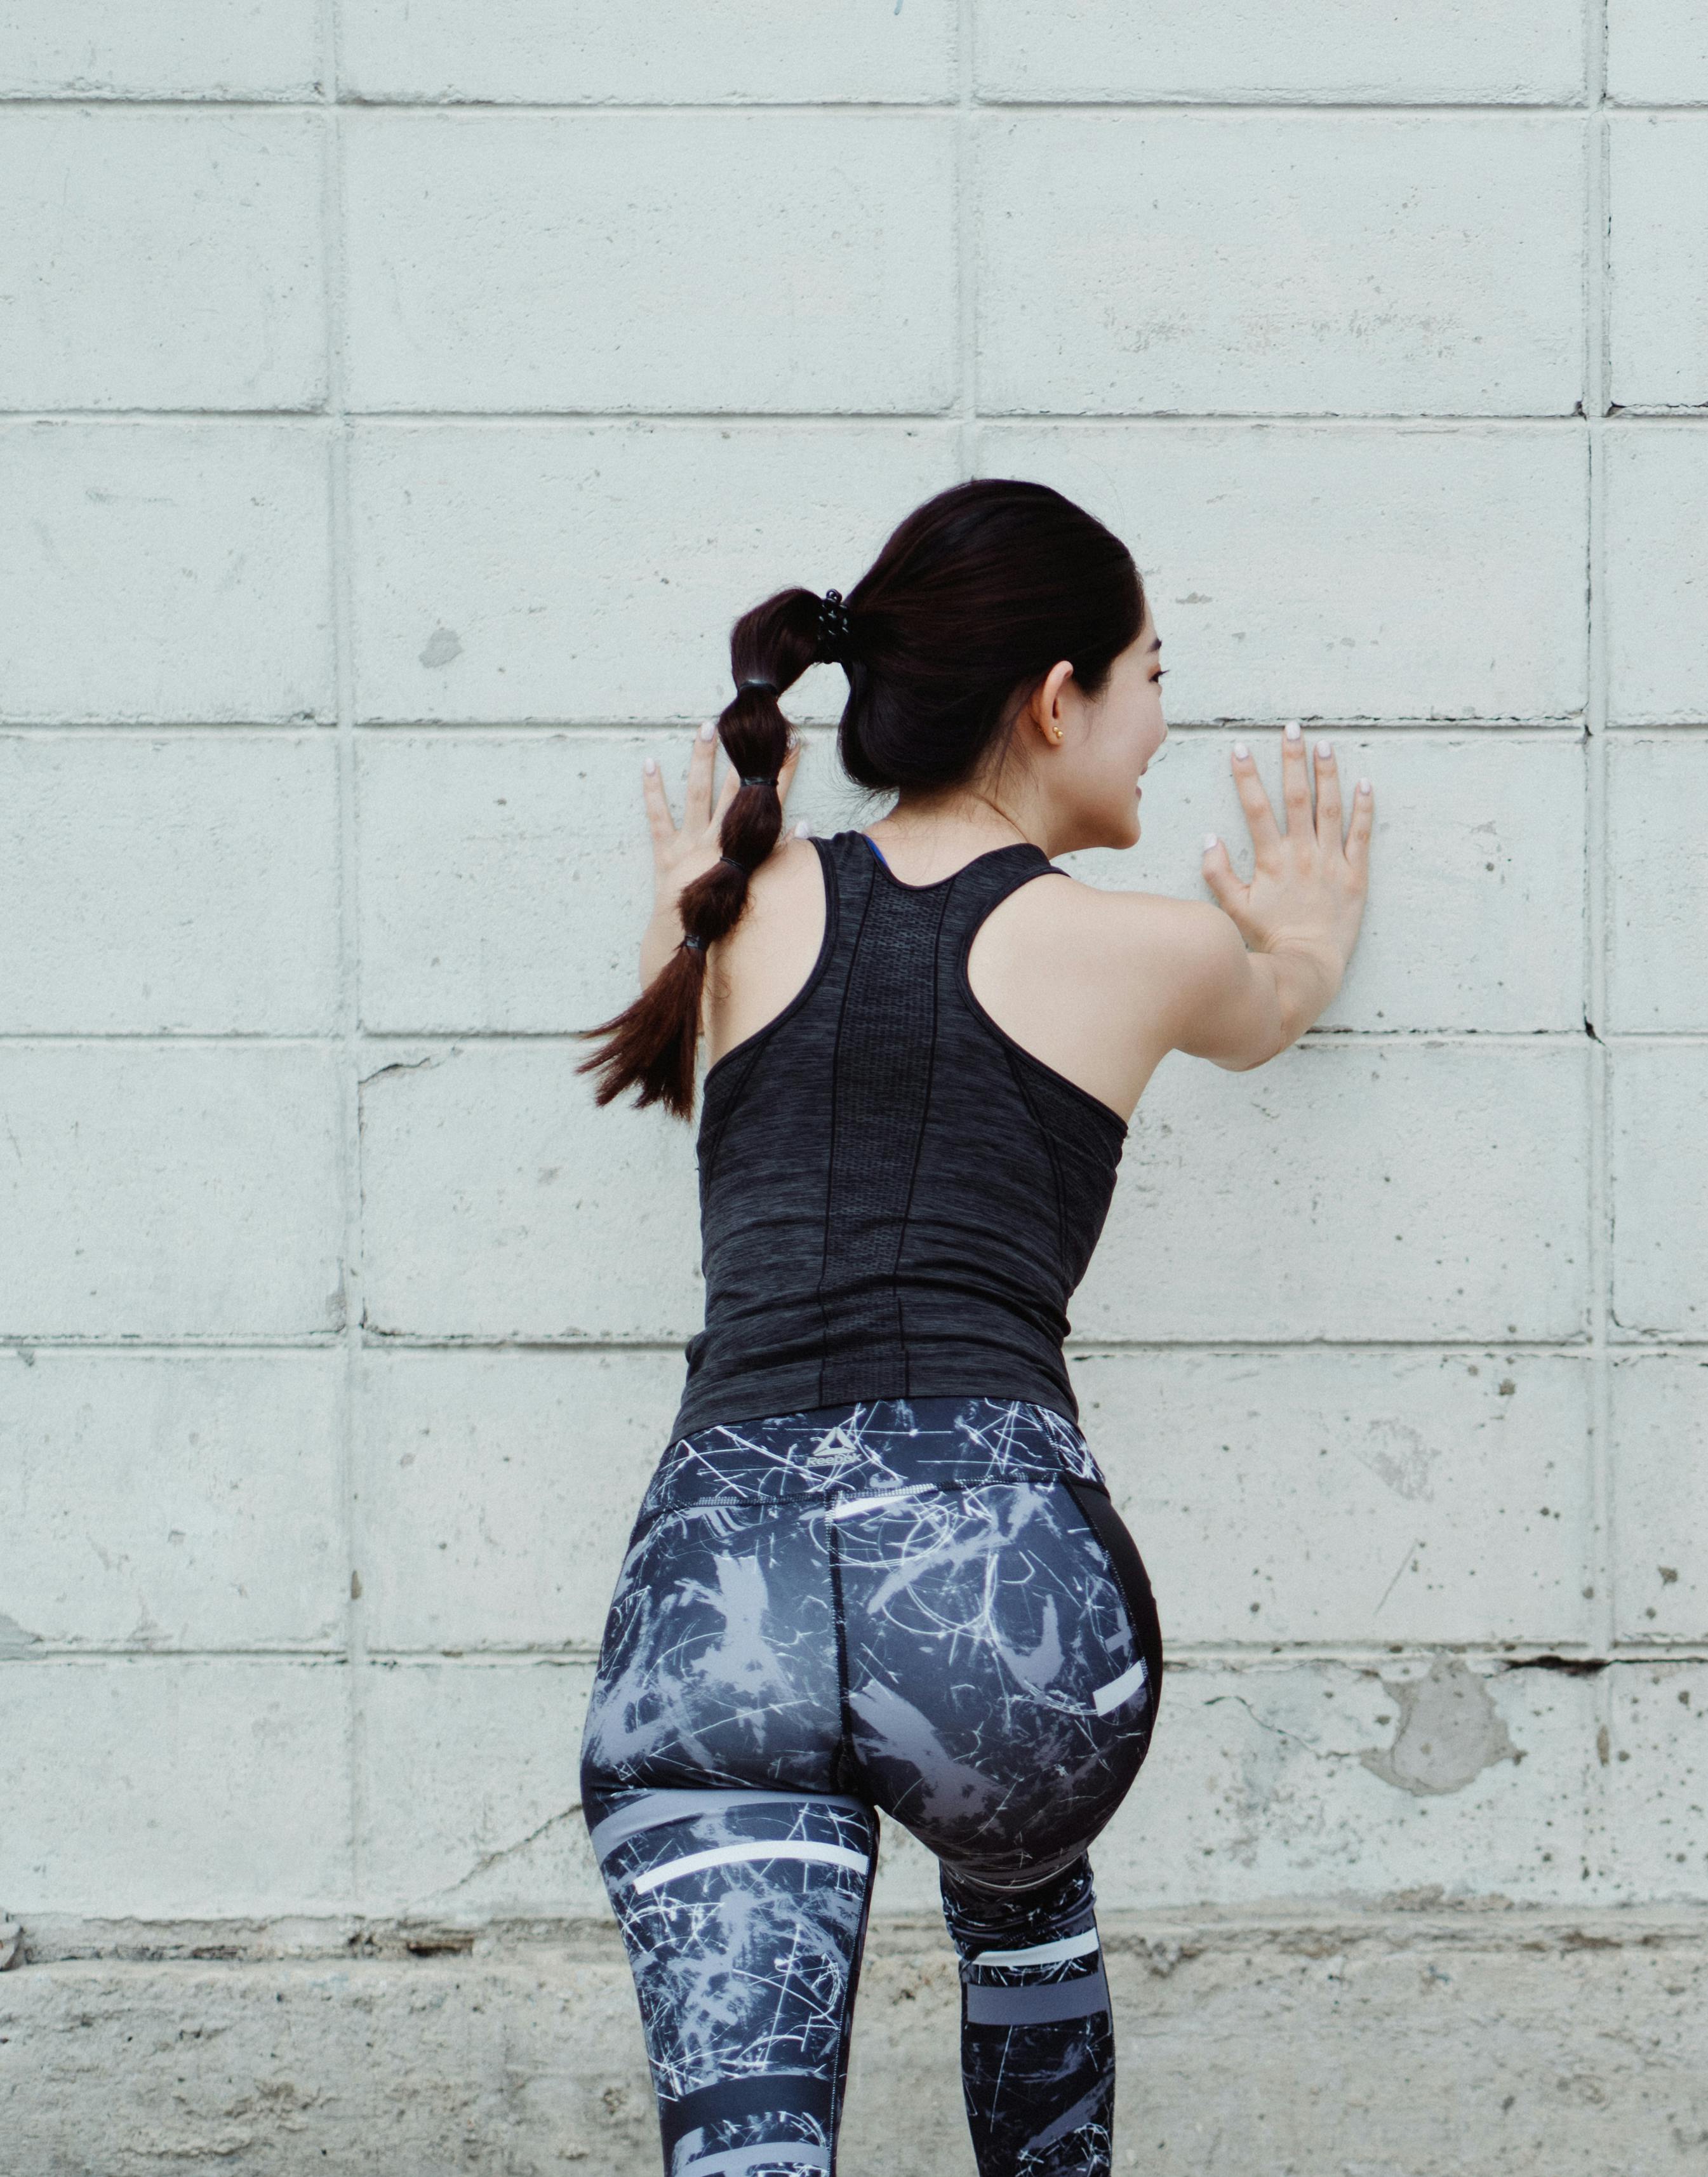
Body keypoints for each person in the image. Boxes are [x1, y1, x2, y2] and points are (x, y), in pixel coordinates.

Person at [571, 478, 1373, 2177]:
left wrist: (697, 884)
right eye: (1153, 675)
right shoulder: (1143, 949)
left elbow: (702, 937)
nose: (1163, 721)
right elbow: (1281, 997)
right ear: (1057, 697)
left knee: (746, 2153)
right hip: (993, 1587)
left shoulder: (724, 908)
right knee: (1020, 1889)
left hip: (715, 1591)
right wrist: (1302, 931)